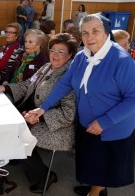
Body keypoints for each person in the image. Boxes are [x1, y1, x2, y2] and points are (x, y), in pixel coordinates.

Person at [31, 14, 135, 196]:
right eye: (85, 32)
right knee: (93, 164)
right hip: (87, 123)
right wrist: (43, 107)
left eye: (96, 31)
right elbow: (65, 83)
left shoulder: (121, 60)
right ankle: (96, 188)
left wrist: (104, 122)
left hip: (111, 128)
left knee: (102, 167)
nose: (90, 37)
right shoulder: (81, 57)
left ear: (107, 32)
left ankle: (95, 192)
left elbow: (133, 98)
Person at [0, 33, 78, 194]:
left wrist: (40, 117)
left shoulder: (68, 76)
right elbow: (27, 85)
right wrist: (5, 88)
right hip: (33, 116)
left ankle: (44, 176)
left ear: (70, 55)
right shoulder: (46, 67)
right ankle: (17, 156)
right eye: (53, 50)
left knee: (19, 135)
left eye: (61, 52)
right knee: (6, 122)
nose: (55, 55)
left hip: (57, 128)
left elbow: (68, 114)